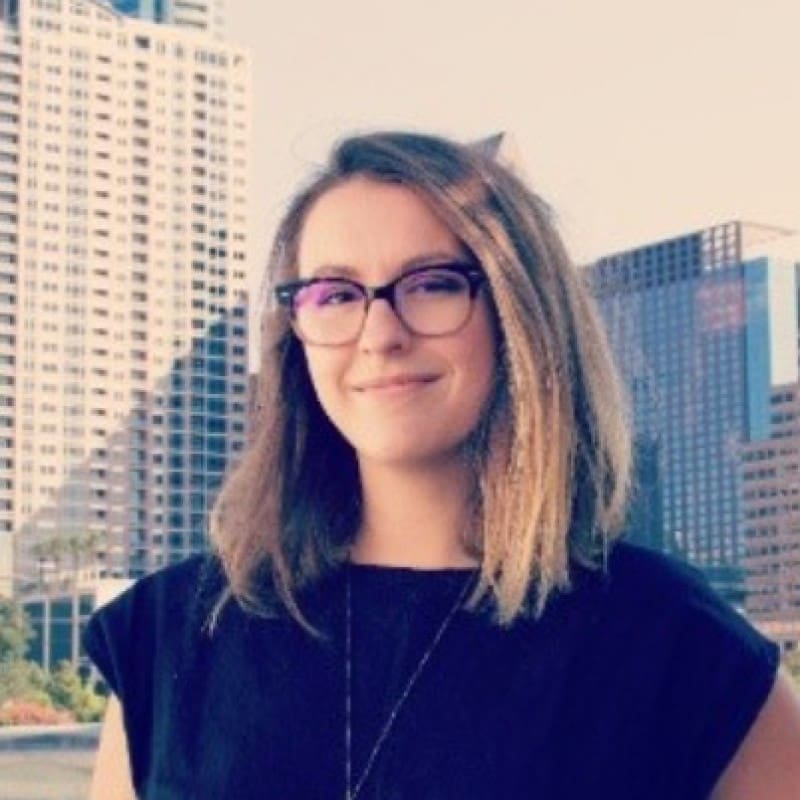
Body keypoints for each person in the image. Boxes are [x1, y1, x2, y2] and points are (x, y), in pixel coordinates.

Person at [85, 131, 800, 800]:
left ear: (521, 314)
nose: (379, 334)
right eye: (335, 295)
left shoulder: (674, 643)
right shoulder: (168, 636)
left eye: (431, 284)